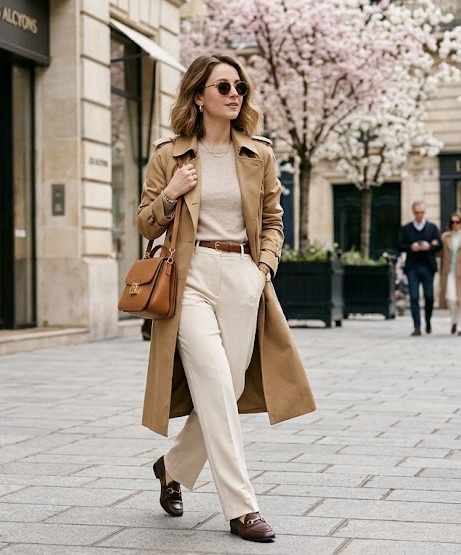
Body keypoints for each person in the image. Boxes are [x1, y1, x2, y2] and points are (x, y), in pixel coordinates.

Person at [136, 54, 316, 543]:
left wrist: (263, 269)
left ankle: (172, 466)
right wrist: (171, 192)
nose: (234, 93)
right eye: (222, 87)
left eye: (239, 86)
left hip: (242, 275)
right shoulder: (168, 154)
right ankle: (242, 507)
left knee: (230, 386)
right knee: (215, 382)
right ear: (199, 96)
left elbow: (274, 220)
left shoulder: (258, 154)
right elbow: (145, 224)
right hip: (189, 276)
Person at [397, 201, 441, 335]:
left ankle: (428, 320)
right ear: (413, 212)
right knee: (414, 297)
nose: (419, 215)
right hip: (412, 267)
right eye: (417, 212)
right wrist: (411, 247)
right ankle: (417, 326)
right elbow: (399, 245)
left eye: (422, 212)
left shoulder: (432, 228)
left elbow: (439, 245)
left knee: (429, 297)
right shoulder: (406, 229)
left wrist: (429, 246)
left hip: (428, 267)